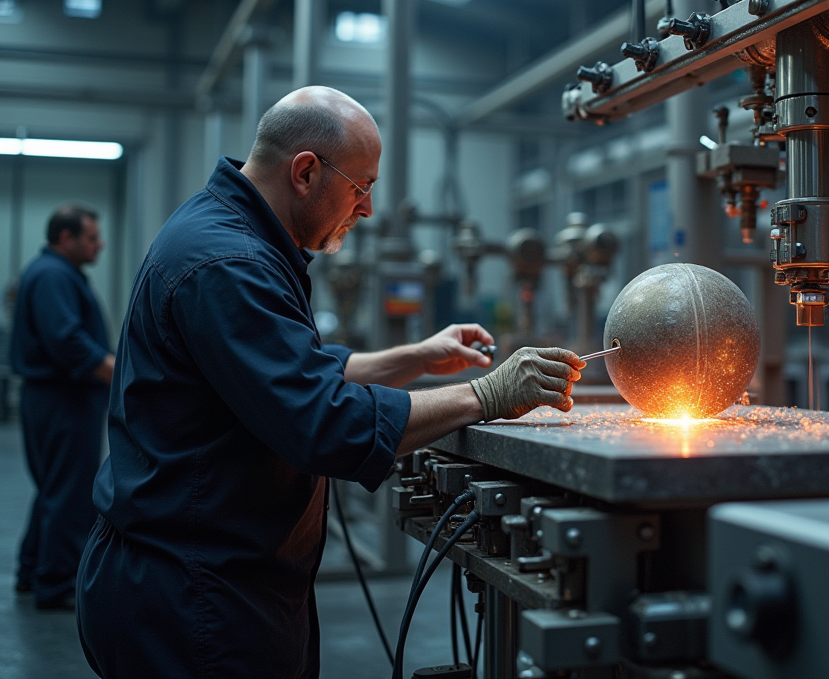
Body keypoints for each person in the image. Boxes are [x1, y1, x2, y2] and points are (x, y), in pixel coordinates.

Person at [76, 87, 584, 678]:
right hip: (193, 595)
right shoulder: (228, 262)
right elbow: (322, 420)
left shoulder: (240, 236)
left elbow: (290, 370)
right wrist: (489, 395)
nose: (366, 208)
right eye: (362, 185)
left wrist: (417, 355)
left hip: (213, 573)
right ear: (306, 171)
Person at [9, 204, 115, 611]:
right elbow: (67, 340)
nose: (99, 243)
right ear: (65, 238)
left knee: (54, 489)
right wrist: (120, 373)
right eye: (91, 237)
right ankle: (55, 585)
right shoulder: (54, 275)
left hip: (53, 398)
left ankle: (31, 571)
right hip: (63, 400)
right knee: (68, 495)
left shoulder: (52, 272)